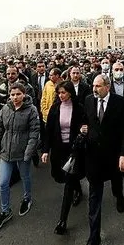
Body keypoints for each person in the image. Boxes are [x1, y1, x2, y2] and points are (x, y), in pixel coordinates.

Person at [81, 74, 124, 245]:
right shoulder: (89, 100)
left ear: (107, 87)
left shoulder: (119, 102)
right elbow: (85, 120)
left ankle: (119, 196)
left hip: (114, 156)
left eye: (98, 86)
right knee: (94, 198)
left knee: (116, 184)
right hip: (94, 157)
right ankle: (94, 236)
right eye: (93, 86)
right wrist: (82, 129)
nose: (94, 89)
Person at [0, 82, 40, 232]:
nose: (15, 97)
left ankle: (27, 198)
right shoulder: (5, 109)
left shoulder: (31, 110)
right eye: (12, 94)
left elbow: (34, 133)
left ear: (24, 94)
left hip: (23, 153)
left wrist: (28, 152)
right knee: (3, 183)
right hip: (6, 152)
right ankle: (5, 211)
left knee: (25, 177)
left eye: (18, 94)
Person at [41, 81, 86, 235]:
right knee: (65, 177)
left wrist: (84, 129)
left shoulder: (79, 108)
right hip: (59, 149)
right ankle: (78, 189)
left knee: (69, 181)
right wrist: (45, 150)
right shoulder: (55, 108)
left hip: (74, 149)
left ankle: (62, 220)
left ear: (70, 93)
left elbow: (85, 124)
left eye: (64, 93)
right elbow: (48, 132)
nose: (61, 95)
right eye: (59, 93)